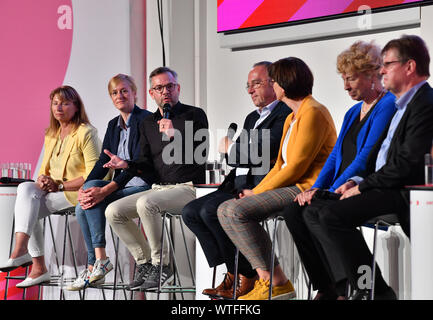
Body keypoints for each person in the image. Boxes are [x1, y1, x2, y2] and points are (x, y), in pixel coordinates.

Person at [298, 34, 433, 300]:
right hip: (383, 185)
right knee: (312, 211)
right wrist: (356, 181)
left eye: (388, 64)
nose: (382, 70)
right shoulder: (402, 105)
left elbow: (407, 164)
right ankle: (344, 287)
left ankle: (372, 290)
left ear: (410, 67)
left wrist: (363, 185)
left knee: (331, 216)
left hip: (403, 191)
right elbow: (373, 159)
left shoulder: (424, 104)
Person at [282, 41, 396, 300]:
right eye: (344, 79)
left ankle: (349, 286)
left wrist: (327, 191)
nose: (345, 86)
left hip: (361, 185)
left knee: (316, 211)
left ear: (371, 74)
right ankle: (327, 286)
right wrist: (315, 188)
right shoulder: (352, 111)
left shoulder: (387, 104)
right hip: (337, 186)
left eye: (351, 79)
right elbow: (335, 157)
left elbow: (365, 158)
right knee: (293, 211)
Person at [217, 57, 337, 300]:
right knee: (224, 209)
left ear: (284, 83)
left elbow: (294, 168)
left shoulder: (313, 112)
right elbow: (280, 164)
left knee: (236, 212)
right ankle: (268, 280)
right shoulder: (293, 117)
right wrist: (258, 189)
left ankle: (276, 282)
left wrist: (258, 192)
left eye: (274, 80)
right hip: (291, 185)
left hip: (306, 186)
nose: (272, 85)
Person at [182, 61, 291, 299]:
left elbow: (264, 150)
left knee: (212, 210)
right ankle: (234, 271)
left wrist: (232, 148)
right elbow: (241, 155)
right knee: (191, 212)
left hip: (261, 186)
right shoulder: (252, 118)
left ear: (274, 83)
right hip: (238, 183)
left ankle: (246, 274)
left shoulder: (286, 114)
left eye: (256, 84)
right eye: (248, 86)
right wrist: (236, 151)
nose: (251, 90)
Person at [103, 66, 209, 291]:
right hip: (159, 188)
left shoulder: (194, 114)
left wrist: (175, 136)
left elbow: (201, 154)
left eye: (169, 86)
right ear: (151, 94)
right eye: (159, 88)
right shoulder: (148, 123)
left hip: (189, 187)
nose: (165, 92)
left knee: (146, 204)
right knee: (114, 211)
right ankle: (146, 263)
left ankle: (163, 265)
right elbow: (146, 165)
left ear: (178, 88)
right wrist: (126, 165)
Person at [0, 86, 100, 288]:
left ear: (76, 106)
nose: (59, 108)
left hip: (76, 194)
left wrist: (61, 185)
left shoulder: (86, 132)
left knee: (29, 202)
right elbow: (43, 170)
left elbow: (96, 173)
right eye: (55, 103)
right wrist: (43, 181)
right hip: (53, 193)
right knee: (26, 190)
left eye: (64, 103)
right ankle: (26, 257)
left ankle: (29, 260)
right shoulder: (51, 134)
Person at [66, 74, 152, 291]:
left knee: (92, 201)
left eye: (124, 90)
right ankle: (96, 263)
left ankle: (97, 262)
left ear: (135, 93)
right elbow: (103, 160)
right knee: (82, 204)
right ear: (111, 97)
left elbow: (138, 165)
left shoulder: (146, 120)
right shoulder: (114, 124)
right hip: (123, 184)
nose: (119, 95)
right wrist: (86, 187)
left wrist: (105, 190)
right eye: (115, 92)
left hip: (143, 183)